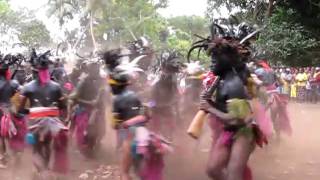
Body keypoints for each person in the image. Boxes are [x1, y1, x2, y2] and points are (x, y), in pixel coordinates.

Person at [187, 23, 270, 180]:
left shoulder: (234, 84)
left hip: (243, 132)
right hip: (229, 130)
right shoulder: (224, 78)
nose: (212, 62)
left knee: (234, 174)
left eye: (215, 58)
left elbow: (238, 119)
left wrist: (209, 108)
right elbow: (226, 108)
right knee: (213, 170)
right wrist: (212, 103)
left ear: (227, 60)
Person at [104, 50, 171, 180]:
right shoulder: (137, 95)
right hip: (143, 133)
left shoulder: (117, 99)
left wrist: (124, 122)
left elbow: (115, 124)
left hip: (129, 136)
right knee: (140, 168)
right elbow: (147, 114)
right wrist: (150, 105)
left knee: (125, 172)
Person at [18, 50, 69, 179]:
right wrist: (62, 117)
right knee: (47, 145)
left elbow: (20, 108)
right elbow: (63, 106)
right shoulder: (56, 87)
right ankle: (46, 169)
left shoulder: (27, 87)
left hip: (35, 123)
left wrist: (29, 112)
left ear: (35, 72)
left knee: (36, 150)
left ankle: (43, 172)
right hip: (53, 123)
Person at [69, 60, 107, 157]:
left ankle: (93, 145)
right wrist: (88, 103)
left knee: (101, 131)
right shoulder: (84, 81)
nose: (97, 72)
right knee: (85, 131)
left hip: (99, 110)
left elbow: (107, 95)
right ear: (89, 71)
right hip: (85, 110)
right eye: (94, 70)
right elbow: (75, 98)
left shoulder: (102, 80)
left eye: (98, 69)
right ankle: (84, 149)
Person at [0, 55, 25, 168]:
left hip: (1, 111)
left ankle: (3, 158)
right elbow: (23, 91)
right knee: (13, 135)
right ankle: (16, 154)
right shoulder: (13, 83)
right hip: (11, 111)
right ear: (7, 72)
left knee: (2, 137)